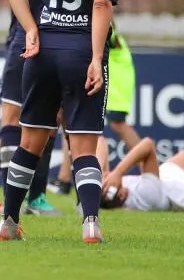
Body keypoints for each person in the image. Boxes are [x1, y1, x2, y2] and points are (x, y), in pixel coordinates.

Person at [0, 0, 121, 244]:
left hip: (42, 51)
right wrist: (96, 58)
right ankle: (91, 224)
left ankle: (8, 223)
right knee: (83, 146)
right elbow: (101, 4)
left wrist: (31, 29)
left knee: (29, 143)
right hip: (80, 52)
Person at [0, 0, 70, 217]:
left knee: (44, 119)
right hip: (29, 36)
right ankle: (13, 198)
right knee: (20, 118)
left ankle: (33, 197)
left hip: (41, 36)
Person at [49, 21, 140, 196]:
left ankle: (151, 167)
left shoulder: (106, 30)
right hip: (109, 84)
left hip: (115, 87)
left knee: (114, 125)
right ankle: (64, 179)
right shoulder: (110, 34)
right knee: (71, 124)